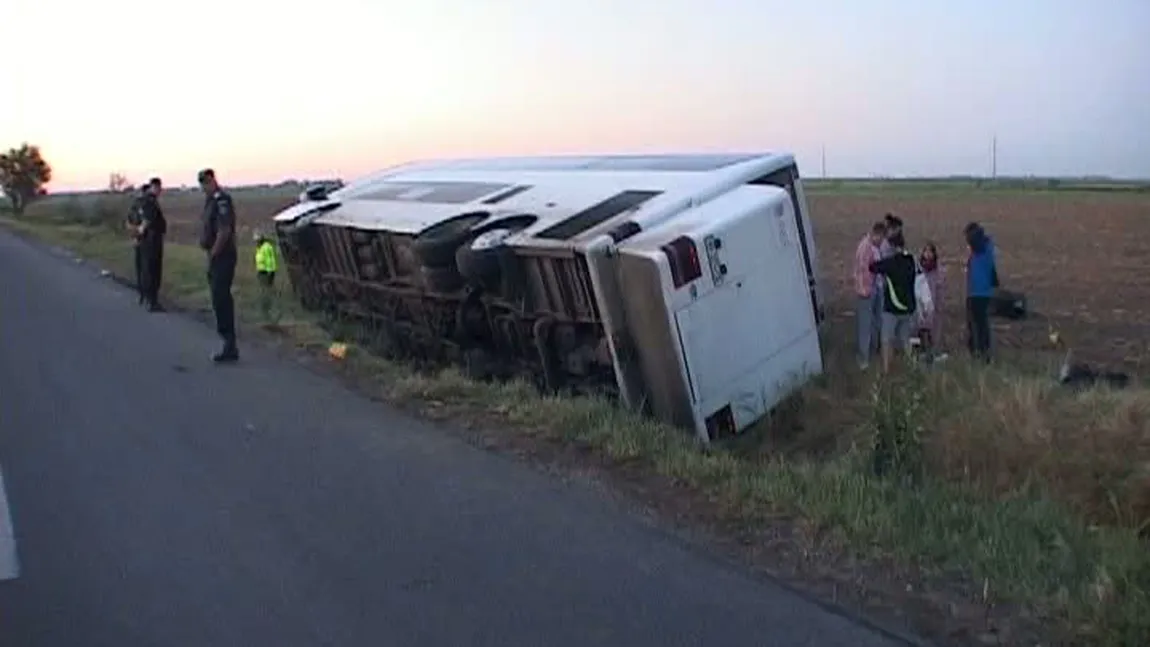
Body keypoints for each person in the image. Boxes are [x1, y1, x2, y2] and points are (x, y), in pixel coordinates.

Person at [198, 168, 240, 362]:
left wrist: (214, 253)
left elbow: (224, 231)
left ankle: (229, 343)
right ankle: (227, 340)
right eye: (202, 184)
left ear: (212, 181)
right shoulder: (210, 201)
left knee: (221, 297)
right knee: (217, 298)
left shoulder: (222, 200)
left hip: (223, 256)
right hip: (214, 255)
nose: (204, 187)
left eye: (206, 183)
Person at [869, 232, 919, 372]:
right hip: (908, 308)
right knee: (905, 340)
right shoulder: (911, 261)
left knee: (887, 340)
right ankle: (913, 368)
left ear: (892, 246)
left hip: (892, 309)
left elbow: (872, 267)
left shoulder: (890, 263)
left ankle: (886, 370)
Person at [853, 220, 886, 369]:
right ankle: (863, 358)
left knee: (876, 321)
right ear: (875, 234)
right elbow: (864, 271)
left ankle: (874, 349)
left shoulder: (875, 247)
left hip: (876, 288)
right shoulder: (865, 248)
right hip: (866, 290)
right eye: (881, 238)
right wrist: (868, 289)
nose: (881, 241)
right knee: (865, 324)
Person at [963, 222, 998, 361]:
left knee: (974, 325)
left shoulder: (976, 251)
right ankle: (985, 351)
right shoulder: (988, 248)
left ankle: (976, 352)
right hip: (986, 293)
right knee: (983, 324)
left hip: (974, 293)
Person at [136, 177, 167, 312]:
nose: (160, 191)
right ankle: (152, 301)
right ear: (154, 187)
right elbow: (147, 221)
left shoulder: (144, 200)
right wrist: (141, 233)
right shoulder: (150, 201)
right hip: (152, 241)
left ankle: (147, 297)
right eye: (159, 188)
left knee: (147, 269)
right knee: (153, 271)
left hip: (148, 240)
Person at [916, 242, 944, 354]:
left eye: (930, 251)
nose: (927, 254)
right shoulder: (919, 268)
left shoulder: (937, 270)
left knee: (934, 328)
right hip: (921, 303)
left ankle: (933, 351)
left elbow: (940, 287)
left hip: (933, 302)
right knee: (921, 328)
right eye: (925, 251)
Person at [126, 184, 149, 305]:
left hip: (138, 239)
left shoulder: (135, 204)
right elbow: (142, 222)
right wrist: (137, 233)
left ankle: (142, 294)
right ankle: (145, 294)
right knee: (145, 269)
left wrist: (133, 234)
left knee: (140, 268)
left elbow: (128, 223)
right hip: (144, 240)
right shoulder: (144, 205)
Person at [253, 229, 279, 324]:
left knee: (267, 291)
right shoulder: (259, 247)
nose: (255, 241)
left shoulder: (266, 247)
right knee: (263, 291)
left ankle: (269, 310)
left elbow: (270, 261)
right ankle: (265, 309)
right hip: (261, 272)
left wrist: (270, 273)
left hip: (267, 273)